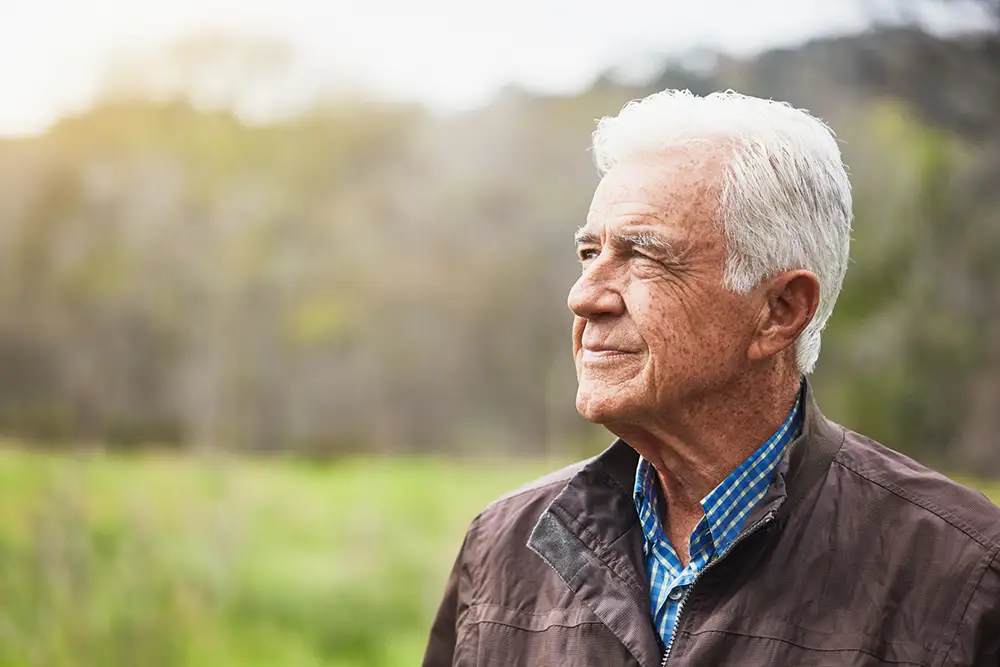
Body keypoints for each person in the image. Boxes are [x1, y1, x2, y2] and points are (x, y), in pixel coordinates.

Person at [421, 90, 1000, 667]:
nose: (585, 295)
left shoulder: (967, 576)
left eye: (643, 256)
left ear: (780, 311)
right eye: (589, 252)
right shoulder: (503, 545)